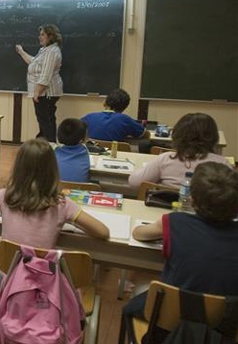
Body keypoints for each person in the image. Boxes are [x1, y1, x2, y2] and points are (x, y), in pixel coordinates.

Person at [124, 162, 238, 322]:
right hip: (226, 324)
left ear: (191, 199)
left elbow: (138, 234)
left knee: (128, 310)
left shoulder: (175, 222)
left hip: (170, 319)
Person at [0, 139, 109, 250]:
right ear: (52, 169)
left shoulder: (4, 196)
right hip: (42, 280)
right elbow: (103, 232)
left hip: (9, 278)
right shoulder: (62, 204)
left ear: (18, 167)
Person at [128, 113, 232, 188]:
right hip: (208, 216)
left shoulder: (166, 159)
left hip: (167, 212)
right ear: (213, 136)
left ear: (178, 134)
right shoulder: (222, 164)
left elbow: (134, 182)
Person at [15, 24, 63, 142]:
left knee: (46, 122)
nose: (39, 37)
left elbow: (46, 74)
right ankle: (44, 145)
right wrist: (21, 52)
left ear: (51, 36)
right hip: (42, 93)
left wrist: (37, 92)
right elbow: (33, 62)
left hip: (46, 93)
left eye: (43, 35)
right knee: (44, 121)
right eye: (40, 34)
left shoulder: (52, 51)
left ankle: (49, 147)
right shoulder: (44, 50)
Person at [80, 88, 149, 142]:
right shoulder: (125, 119)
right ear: (124, 108)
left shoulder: (89, 117)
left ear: (104, 103)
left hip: (93, 156)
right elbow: (145, 135)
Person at [55, 118, 90, 183]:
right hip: (79, 191)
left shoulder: (54, 152)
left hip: (57, 191)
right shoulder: (84, 150)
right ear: (81, 140)